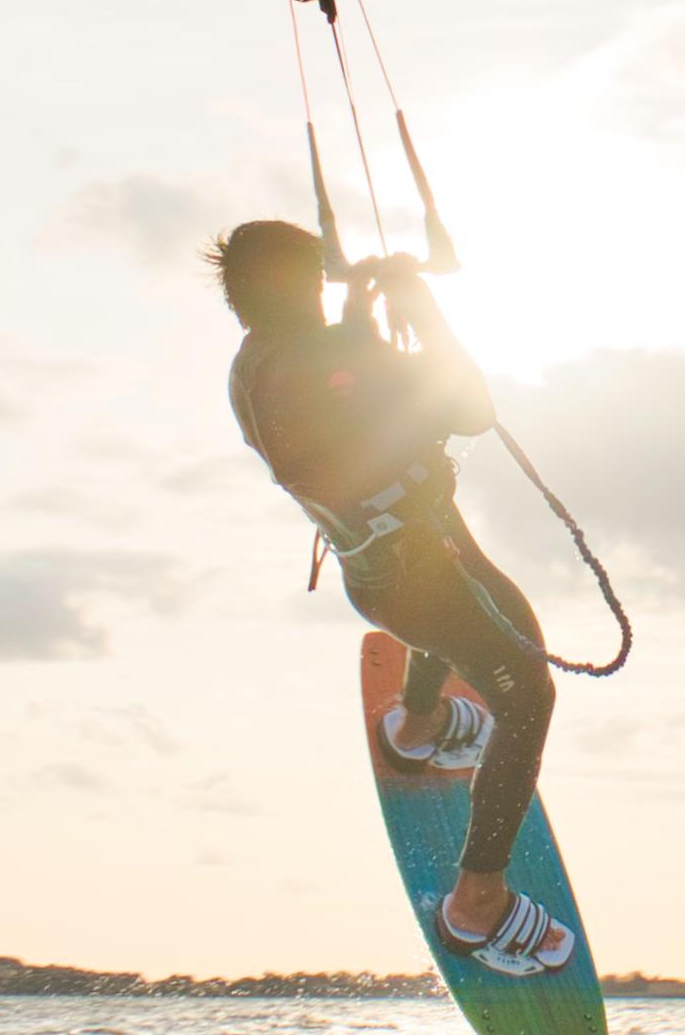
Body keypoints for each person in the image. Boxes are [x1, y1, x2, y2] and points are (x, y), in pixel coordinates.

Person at [213, 218, 573, 978]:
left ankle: (419, 728)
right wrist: (420, 308)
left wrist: (360, 317)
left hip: (382, 572)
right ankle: (476, 908)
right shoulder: (341, 360)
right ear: (309, 283)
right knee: (527, 693)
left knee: (466, 632)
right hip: (424, 575)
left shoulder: (253, 365)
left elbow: (333, 389)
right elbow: (470, 408)